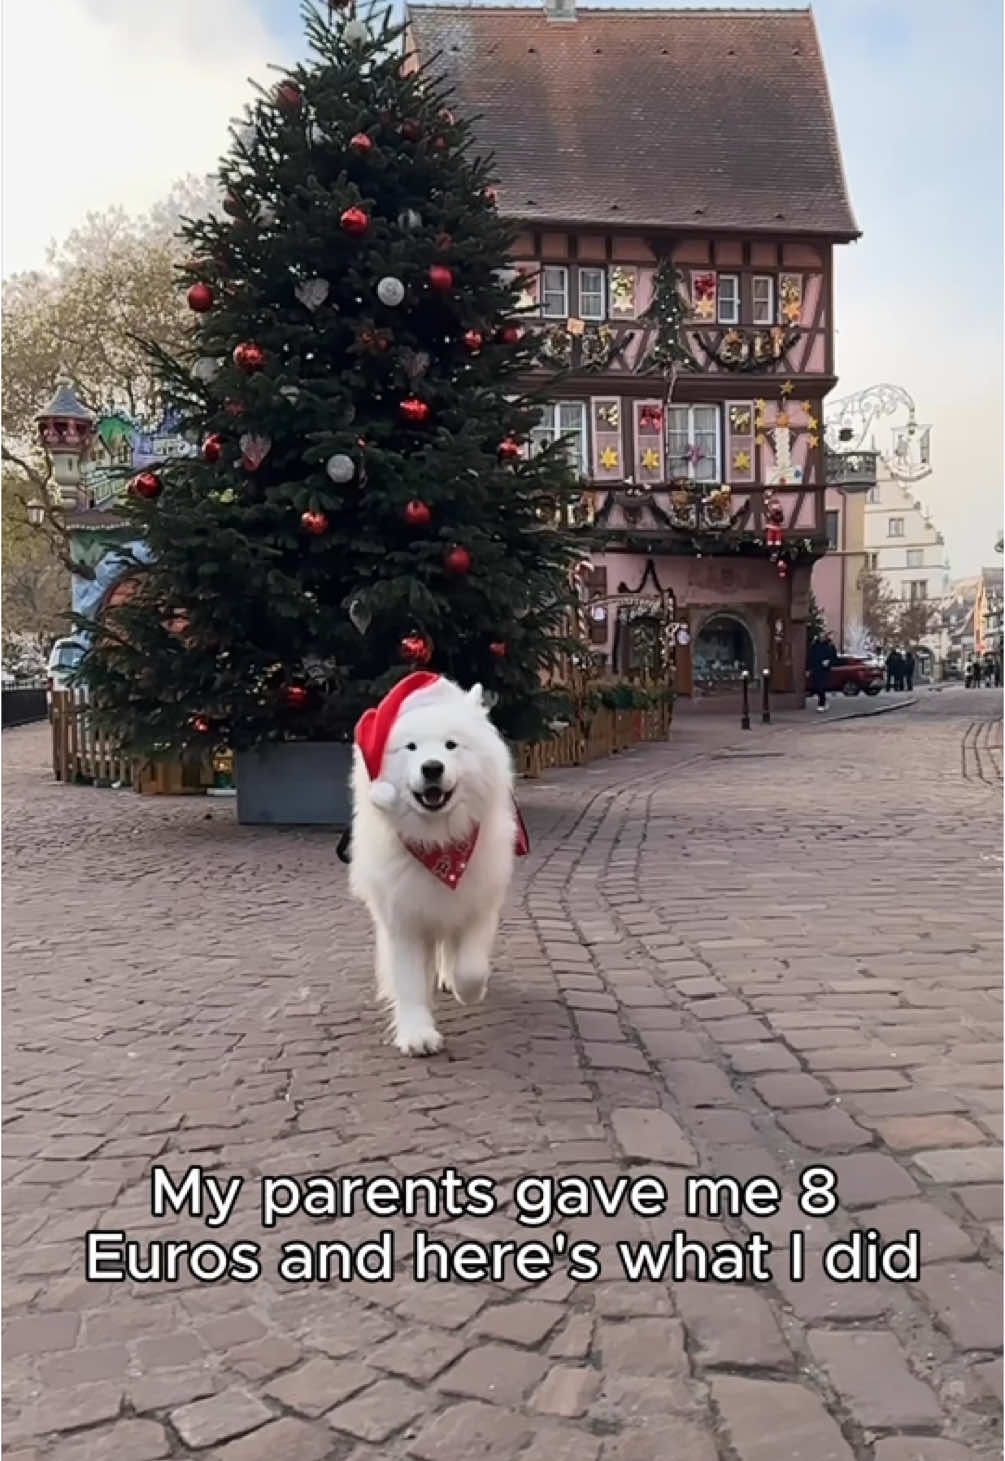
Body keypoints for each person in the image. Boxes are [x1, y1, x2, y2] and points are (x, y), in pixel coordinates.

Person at [808, 635, 834, 712]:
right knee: (816, 687)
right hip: (816, 669)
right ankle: (823, 701)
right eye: (820, 637)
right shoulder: (814, 647)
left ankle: (821, 704)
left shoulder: (828, 646)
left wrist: (828, 663)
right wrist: (809, 669)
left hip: (823, 670)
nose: (821, 638)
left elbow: (832, 658)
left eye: (823, 637)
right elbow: (810, 658)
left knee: (821, 687)